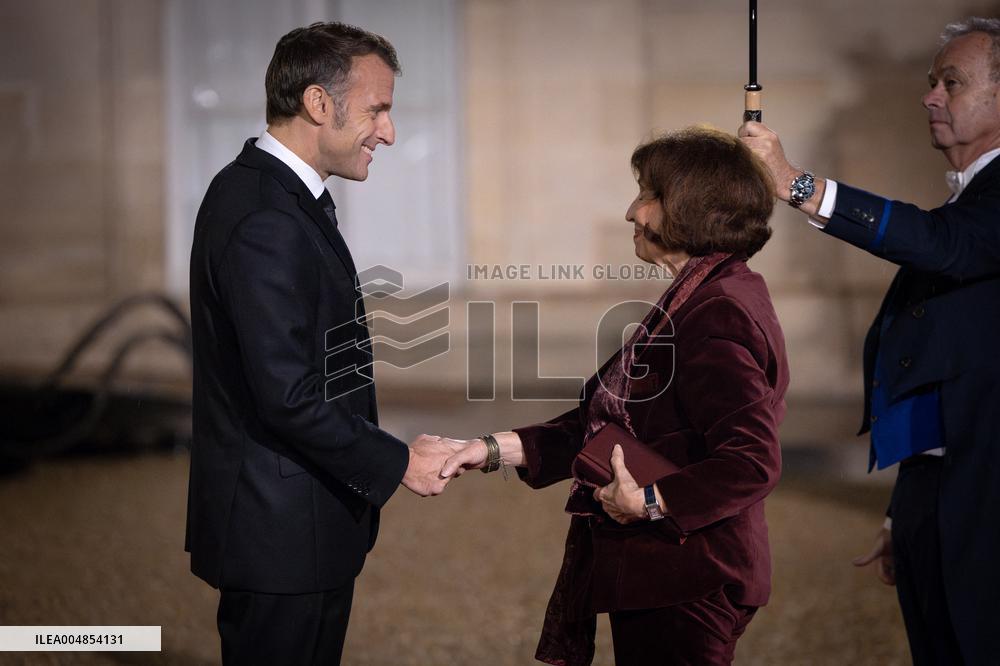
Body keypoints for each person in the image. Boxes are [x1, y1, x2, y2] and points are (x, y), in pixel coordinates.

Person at [443, 127, 789, 666]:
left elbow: (751, 461)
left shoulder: (717, 310)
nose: (632, 212)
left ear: (688, 209)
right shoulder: (700, 292)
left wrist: (651, 502)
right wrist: (488, 449)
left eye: (647, 195)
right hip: (669, 571)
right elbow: (603, 427)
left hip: (691, 573)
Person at [186, 22, 457, 665]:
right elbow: (286, 395)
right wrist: (397, 462)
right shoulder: (263, 216)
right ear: (318, 103)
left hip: (299, 526)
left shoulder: (277, 197)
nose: (388, 132)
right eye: (378, 109)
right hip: (280, 534)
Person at [739, 16, 1000, 666]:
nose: (929, 96)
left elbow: (941, 245)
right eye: (930, 80)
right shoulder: (966, 205)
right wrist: (905, 510)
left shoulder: (974, 215)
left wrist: (798, 184)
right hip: (934, 493)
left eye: (951, 81)